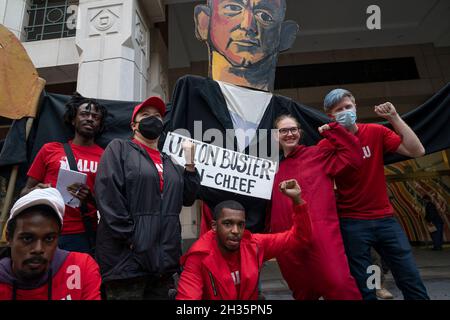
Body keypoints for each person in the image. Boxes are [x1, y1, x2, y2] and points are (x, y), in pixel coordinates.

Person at [166, 0, 328, 235]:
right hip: (212, 225)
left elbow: (355, 142)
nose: (248, 24)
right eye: (233, 9)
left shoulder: (285, 111)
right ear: (203, 22)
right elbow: (148, 131)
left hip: (265, 230)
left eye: (264, 15)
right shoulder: (190, 92)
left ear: (284, 36)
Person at [320, 88, 429, 300]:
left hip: (385, 219)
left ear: (356, 107)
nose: (345, 111)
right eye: (338, 109)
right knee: (365, 283)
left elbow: (417, 151)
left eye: (348, 107)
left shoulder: (375, 132)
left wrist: (394, 118)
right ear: (330, 116)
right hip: (352, 223)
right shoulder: (327, 144)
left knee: (409, 274)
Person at [95, 96, 201, 300]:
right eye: (145, 115)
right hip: (127, 262)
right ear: (134, 125)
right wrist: (133, 239)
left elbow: (187, 198)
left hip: (163, 263)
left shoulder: (169, 162)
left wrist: (189, 163)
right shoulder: (119, 149)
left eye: (157, 116)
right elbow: (109, 197)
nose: (153, 119)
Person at [270, 114, 362, 300]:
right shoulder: (271, 169)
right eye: (284, 130)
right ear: (275, 136)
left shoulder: (318, 154)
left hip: (320, 235)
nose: (289, 134)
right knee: (302, 291)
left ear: (300, 132)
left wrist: (333, 131)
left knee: (339, 285)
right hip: (287, 241)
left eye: (293, 129)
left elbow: (354, 157)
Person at [176, 179, 311, 300]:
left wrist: (297, 200)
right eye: (227, 224)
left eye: (240, 224)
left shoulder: (254, 244)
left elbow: (299, 238)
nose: (235, 231)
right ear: (214, 226)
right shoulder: (198, 257)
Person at [21, 93, 107, 254]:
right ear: (73, 120)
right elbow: (24, 192)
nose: (90, 118)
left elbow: (110, 204)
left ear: (100, 124)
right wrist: (37, 191)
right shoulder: (50, 150)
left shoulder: (106, 157)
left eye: (95, 116)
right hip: (45, 228)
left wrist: (89, 198)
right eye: (84, 114)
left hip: (83, 233)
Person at [0, 188, 101, 300]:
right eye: (27, 238)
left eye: (49, 239)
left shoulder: (81, 267)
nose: (38, 249)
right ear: (9, 237)